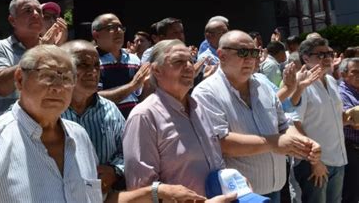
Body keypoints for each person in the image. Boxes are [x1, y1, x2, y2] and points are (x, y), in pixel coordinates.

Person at [0, 45, 102, 202]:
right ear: (20, 79)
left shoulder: (80, 137)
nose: (58, 87)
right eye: (47, 76)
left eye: (66, 78)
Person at [192, 31, 321, 202]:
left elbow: (283, 125)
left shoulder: (263, 85)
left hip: (276, 189)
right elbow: (221, 143)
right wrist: (273, 143)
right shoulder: (206, 92)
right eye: (243, 52)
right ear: (221, 55)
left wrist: (304, 143)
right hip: (240, 196)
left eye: (254, 53)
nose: (250, 59)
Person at [123, 39, 225, 196]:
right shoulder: (144, 116)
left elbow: (216, 161)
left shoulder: (199, 108)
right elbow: (141, 190)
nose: (189, 67)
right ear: (156, 71)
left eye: (190, 61)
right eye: (178, 61)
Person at [288, 37, 348, 203]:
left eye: (329, 53)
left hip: (338, 158)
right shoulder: (301, 83)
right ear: (306, 58)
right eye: (321, 54)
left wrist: (349, 117)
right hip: (314, 164)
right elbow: (294, 123)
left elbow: (333, 118)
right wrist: (315, 162)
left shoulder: (330, 80)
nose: (327, 57)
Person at [61, 40, 126, 194]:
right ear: (62, 69)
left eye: (96, 65)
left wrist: (115, 171)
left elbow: (128, 151)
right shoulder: (49, 111)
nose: (93, 72)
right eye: (83, 65)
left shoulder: (110, 109)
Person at [92, 13, 150, 118]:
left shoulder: (134, 59)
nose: (119, 31)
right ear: (96, 35)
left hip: (135, 125)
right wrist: (132, 86)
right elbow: (94, 99)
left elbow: (140, 98)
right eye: (111, 27)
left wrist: (148, 84)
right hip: (106, 128)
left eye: (120, 27)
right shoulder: (91, 62)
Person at [339, 57, 359, 203]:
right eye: (355, 72)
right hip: (351, 149)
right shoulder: (341, 93)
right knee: (351, 193)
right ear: (344, 74)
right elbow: (355, 121)